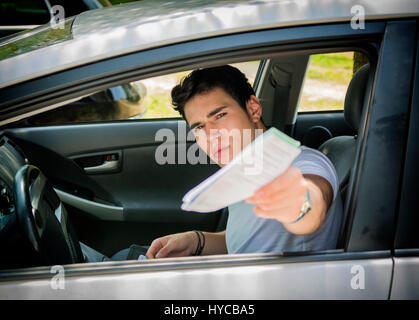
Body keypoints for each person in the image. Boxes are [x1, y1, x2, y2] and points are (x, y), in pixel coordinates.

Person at [144, 65, 343, 259]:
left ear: (253, 109)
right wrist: (196, 241)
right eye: (198, 127)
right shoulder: (243, 168)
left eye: (220, 115)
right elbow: (248, 243)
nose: (210, 135)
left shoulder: (303, 161)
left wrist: (299, 203)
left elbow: (314, 201)